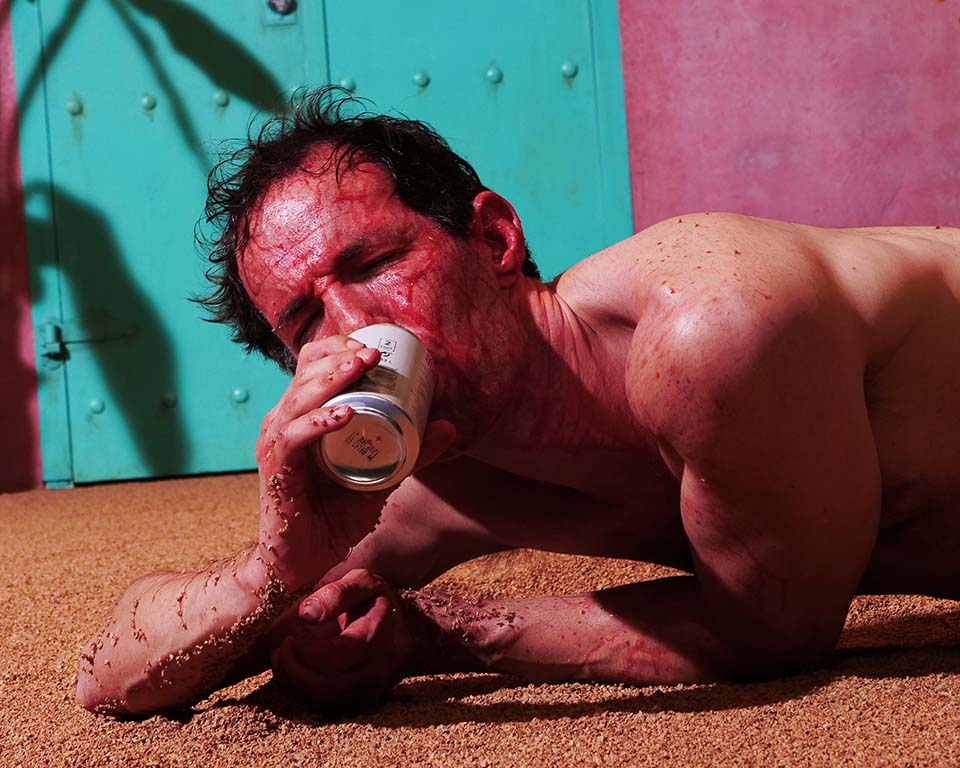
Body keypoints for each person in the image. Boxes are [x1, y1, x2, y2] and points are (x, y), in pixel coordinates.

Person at [75, 88, 960, 717]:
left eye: (374, 263)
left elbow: (775, 631)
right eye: (303, 322)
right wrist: (270, 569)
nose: (350, 328)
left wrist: (440, 632)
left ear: (496, 239)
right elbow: (107, 677)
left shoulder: (708, 327)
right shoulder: (430, 483)